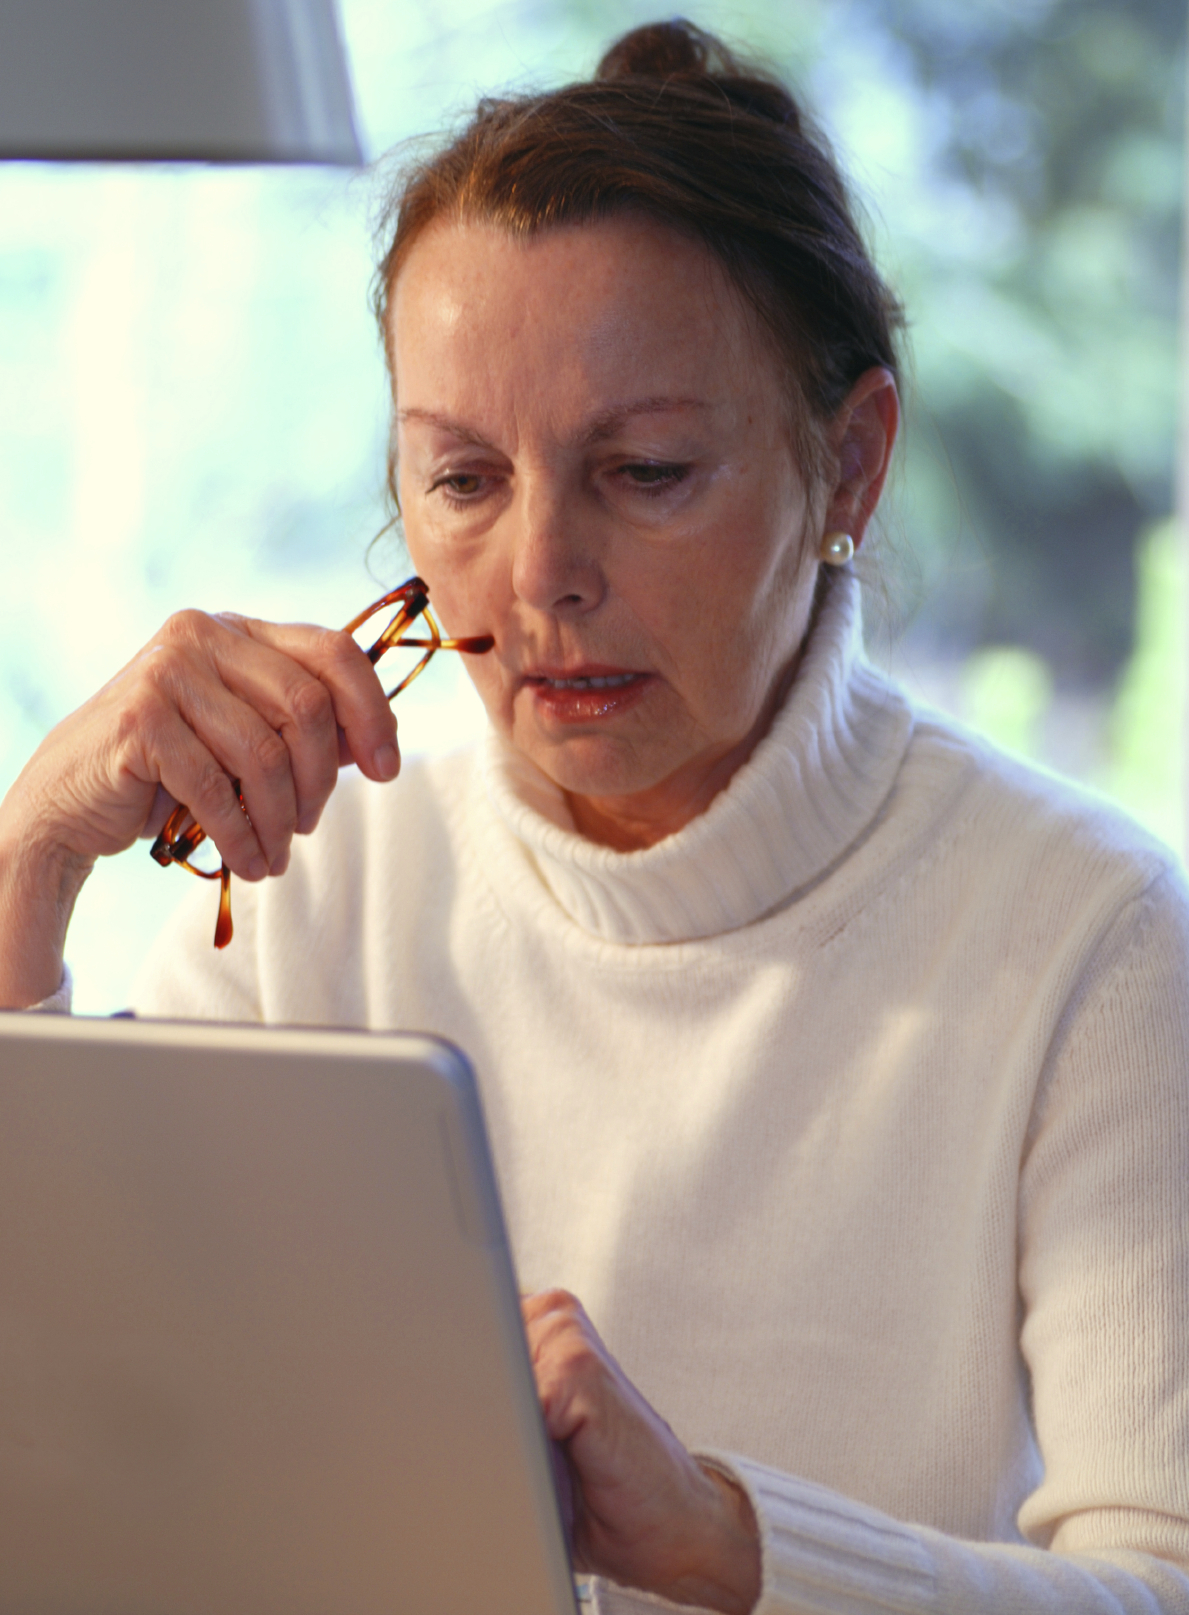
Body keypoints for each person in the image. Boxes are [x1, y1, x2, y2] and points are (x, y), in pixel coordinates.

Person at [1, 18, 1187, 1614]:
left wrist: (718, 1539)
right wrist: (28, 865)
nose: (541, 572)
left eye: (643, 470)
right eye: (465, 480)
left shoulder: (1080, 935)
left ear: (848, 465)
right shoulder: (317, 876)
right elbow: (88, 1442)